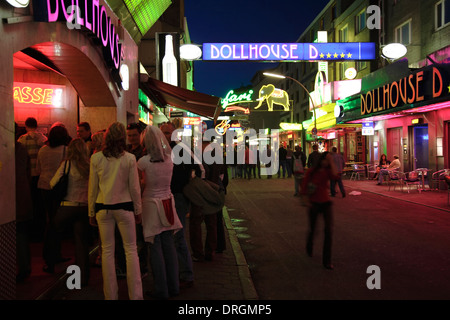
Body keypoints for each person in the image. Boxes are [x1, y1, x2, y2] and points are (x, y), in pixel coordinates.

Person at [88, 122, 143, 300]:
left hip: (103, 207)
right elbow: (134, 188)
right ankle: (136, 295)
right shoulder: (129, 158)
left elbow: (92, 188)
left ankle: (110, 295)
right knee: (131, 250)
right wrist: (138, 210)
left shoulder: (96, 158)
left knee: (107, 252)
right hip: (125, 206)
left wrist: (91, 211)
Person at [137, 125, 183, 299]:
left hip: (150, 205)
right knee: (168, 245)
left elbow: (139, 185)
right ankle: (174, 286)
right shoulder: (170, 159)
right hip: (167, 202)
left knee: (154, 247)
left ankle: (161, 289)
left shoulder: (143, 162)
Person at [46, 139, 91, 284]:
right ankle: (82, 278)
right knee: (80, 241)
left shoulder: (66, 164)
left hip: (67, 206)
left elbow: (52, 183)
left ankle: (51, 263)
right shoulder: (90, 165)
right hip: (84, 207)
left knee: (53, 231)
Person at [159, 122, 195, 289]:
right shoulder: (161, 151)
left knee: (178, 235)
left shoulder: (180, 150)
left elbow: (197, 170)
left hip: (178, 196)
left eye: (167, 133)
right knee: (170, 235)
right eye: (163, 133)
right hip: (166, 196)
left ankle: (186, 273)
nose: (165, 136)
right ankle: (176, 272)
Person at [37, 123, 71, 270]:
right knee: (56, 222)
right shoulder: (66, 150)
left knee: (50, 219)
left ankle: (51, 255)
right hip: (58, 188)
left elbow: (38, 169)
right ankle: (52, 256)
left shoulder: (43, 150)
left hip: (44, 186)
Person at [301, 152, 339, 270]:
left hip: (326, 202)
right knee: (313, 228)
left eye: (328, 160)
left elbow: (335, 176)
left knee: (329, 230)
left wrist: (332, 161)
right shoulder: (311, 171)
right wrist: (306, 201)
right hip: (314, 203)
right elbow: (304, 187)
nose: (326, 162)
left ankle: (327, 260)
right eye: (325, 159)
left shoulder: (328, 171)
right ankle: (309, 245)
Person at [18, 117, 47, 241]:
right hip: (40, 175)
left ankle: (31, 232)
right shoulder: (43, 139)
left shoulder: (22, 140)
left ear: (26, 126)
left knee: (30, 204)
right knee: (40, 205)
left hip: (28, 176)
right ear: (36, 125)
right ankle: (40, 231)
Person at [15, 123, 33, 282]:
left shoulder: (8, 150)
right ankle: (25, 266)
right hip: (23, 195)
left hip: (11, 197)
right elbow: (28, 171)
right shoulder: (22, 149)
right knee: (22, 234)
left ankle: (22, 267)